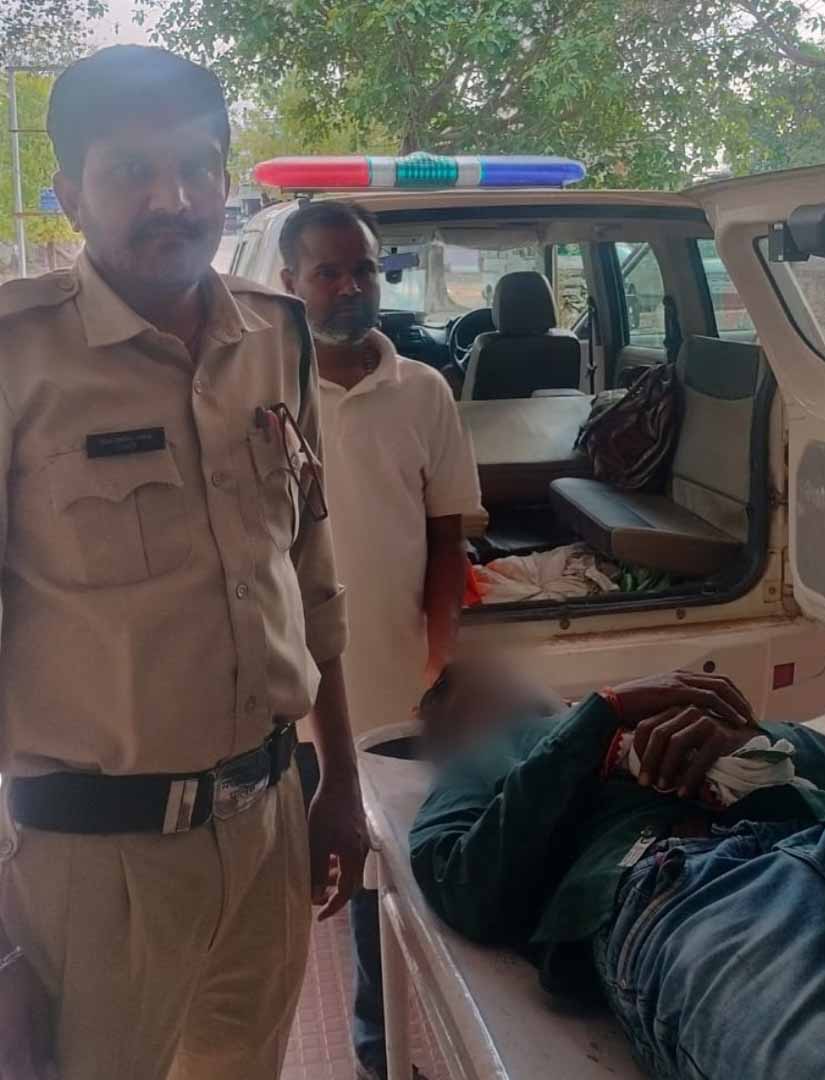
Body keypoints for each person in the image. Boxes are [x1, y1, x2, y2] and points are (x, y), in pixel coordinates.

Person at [0, 46, 367, 1080]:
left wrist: (339, 785)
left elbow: (312, 579)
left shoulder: (277, 337)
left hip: (271, 824)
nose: (174, 199)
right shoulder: (17, 359)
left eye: (197, 167)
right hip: (90, 865)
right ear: (69, 193)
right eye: (131, 172)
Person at [411, 532, 825, 1080]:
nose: (502, 688)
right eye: (475, 698)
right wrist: (593, 721)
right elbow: (461, 885)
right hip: (696, 889)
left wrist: (756, 742)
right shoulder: (488, 761)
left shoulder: (651, 718)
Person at [280, 200, 481, 1080]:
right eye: (327, 271)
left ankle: (376, 1052)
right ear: (290, 282)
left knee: (375, 882)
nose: (350, 286)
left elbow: (447, 537)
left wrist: (441, 658)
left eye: (363, 267)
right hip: (284, 690)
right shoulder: (263, 390)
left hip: (390, 684)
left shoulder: (423, 389)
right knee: (285, 881)